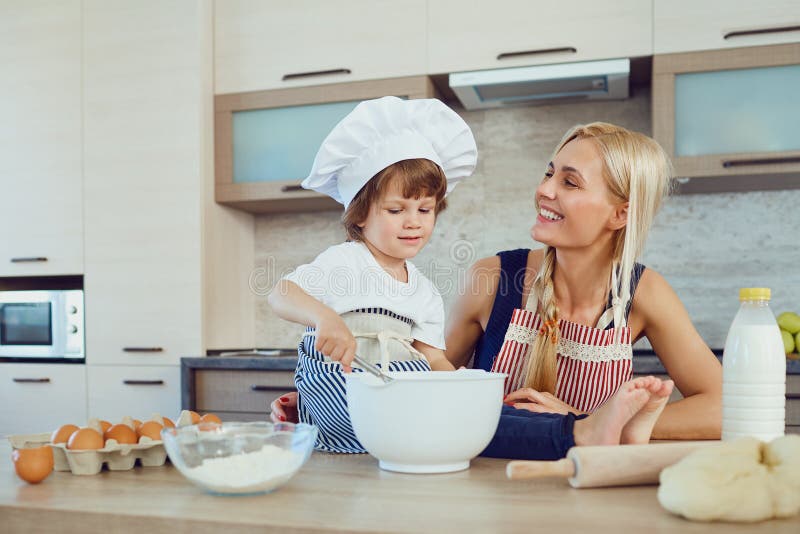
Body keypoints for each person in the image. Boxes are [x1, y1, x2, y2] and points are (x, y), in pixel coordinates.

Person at [446, 122, 722, 440]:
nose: (545, 191)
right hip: (485, 484)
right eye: (550, 174)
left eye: (570, 183)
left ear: (620, 214)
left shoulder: (643, 292)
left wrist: (594, 422)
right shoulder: (492, 279)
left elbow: (721, 407)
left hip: (585, 484)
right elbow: (422, 392)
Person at [267, 96, 477, 453]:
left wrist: (463, 390)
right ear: (361, 214)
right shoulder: (345, 262)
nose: (414, 222)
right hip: (342, 406)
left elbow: (434, 358)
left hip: (396, 428)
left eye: (425, 209)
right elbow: (280, 294)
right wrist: (325, 317)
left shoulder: (425, 293)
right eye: (396, 209)